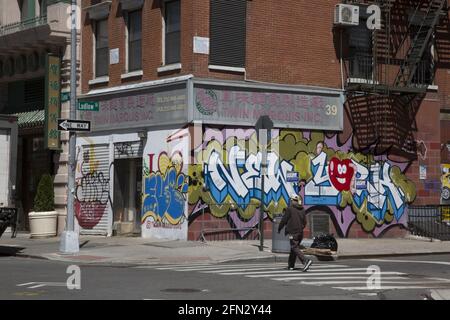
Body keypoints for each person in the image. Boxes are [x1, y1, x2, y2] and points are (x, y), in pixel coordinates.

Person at [278, 194, 312, 272]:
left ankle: (305, 261)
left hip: (293, 232)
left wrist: (280, 228)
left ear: (294, 201)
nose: (290, 202)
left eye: (291, 200)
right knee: (293, 248)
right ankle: (291, 265)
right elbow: (305, 222)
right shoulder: (302, 210)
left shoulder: (290, 209)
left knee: (294, 247)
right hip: (300, 233)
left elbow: (284, 220)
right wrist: (300, 228)